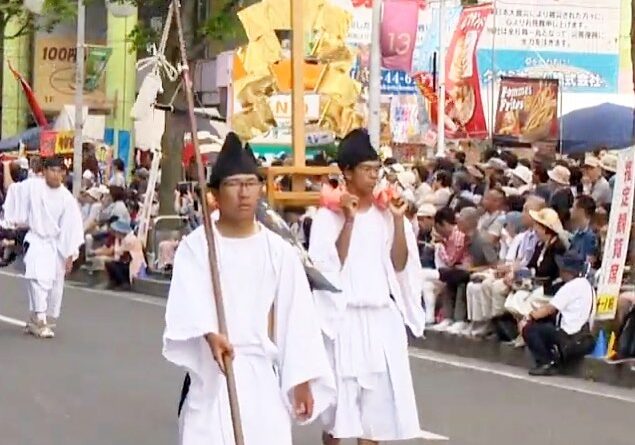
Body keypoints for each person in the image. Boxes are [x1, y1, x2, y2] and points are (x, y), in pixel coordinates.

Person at [163, 132, 335, 445]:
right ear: (215, 193)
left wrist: (301, 379)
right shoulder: (197, 246)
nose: (243, 193)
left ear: (260, 189)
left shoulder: (278, 252)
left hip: (261, 379)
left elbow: (298, 319)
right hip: (214, 375)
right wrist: (210, 334)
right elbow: (188, 301)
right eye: (233, 184)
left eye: (250, 183)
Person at [309, 129, 425, 444]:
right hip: (343, 320)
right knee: (338, 413)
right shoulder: (326, 217)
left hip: (379, 319)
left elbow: (400, 264)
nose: (374, 176)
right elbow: (330, 267)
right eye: (367, 170)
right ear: (347, 172)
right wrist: (348, 220)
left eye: (377, 170)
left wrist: (399, 220)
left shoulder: (386, 213)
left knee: (376, 415)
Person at [23, 156, 84, 338]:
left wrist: (70, 253)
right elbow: (15, 196)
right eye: (52, 170)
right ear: (44, 171)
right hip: (36, 240)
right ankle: (40, 318)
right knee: (36, 278)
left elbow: (71, 227)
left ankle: (37, 316)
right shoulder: (33, 189)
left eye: (59, 171)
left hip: (56, 246)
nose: (56, 175)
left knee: (53, 284)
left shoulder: (67, 199)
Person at [520, 251, 595, 376]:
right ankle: (554, 357)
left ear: (567, 271)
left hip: (571, 340)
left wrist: (528, 317)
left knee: (529, 328)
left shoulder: (571, 287)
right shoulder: (587, 286)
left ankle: (546, 362)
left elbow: (548, 309)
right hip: (585, 339)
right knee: (547, 325)